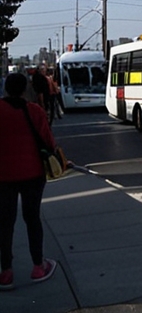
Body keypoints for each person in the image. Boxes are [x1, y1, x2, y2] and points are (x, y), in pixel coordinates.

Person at [0, 73, 59, 291]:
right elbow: (48, 141)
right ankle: (38, 266)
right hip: (32, 174)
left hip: (3, 176)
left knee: (5, 223)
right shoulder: (35, 111)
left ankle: (6, 272)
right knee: (32, 219)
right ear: (26, 89)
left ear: (6, 88)